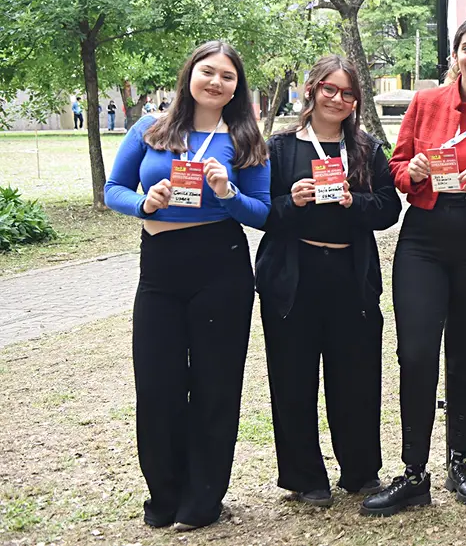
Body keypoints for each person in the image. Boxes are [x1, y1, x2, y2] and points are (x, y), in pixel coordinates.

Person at [361, 19, 466, 515]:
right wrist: (411, 171)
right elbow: (396, 167)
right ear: (454, 55)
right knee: (416, 353)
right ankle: (414, 473)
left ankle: (460, 461)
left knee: (465, 353)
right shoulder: (425, 103)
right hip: (424, 240)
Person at [103, 41, 270, 532]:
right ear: (189, 75)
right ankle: (165, 495)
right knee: (158, 386)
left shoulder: (244, 138)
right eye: (208, 71)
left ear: (236, 87)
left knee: (216, 386)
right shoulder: (150, 128)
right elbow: (113, 189)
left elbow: (264, 213)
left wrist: (228, 192)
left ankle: (203, 500)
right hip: (160, 267)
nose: (216, 82)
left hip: (221, 264)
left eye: (227, 76)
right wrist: (144, 203)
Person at [255, 56, 401, 509]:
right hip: (293, 276)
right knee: (293, 378)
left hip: (350, 276)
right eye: (329, 90)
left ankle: (360, 471)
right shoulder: (280, 148)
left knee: (356, 377)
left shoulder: (367, 149)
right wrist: (291, 201)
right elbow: (261, 211)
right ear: (311, 90)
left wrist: (354, 202)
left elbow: (389, 209)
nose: (338, 99)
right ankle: (304, 477)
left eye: (348, 93)